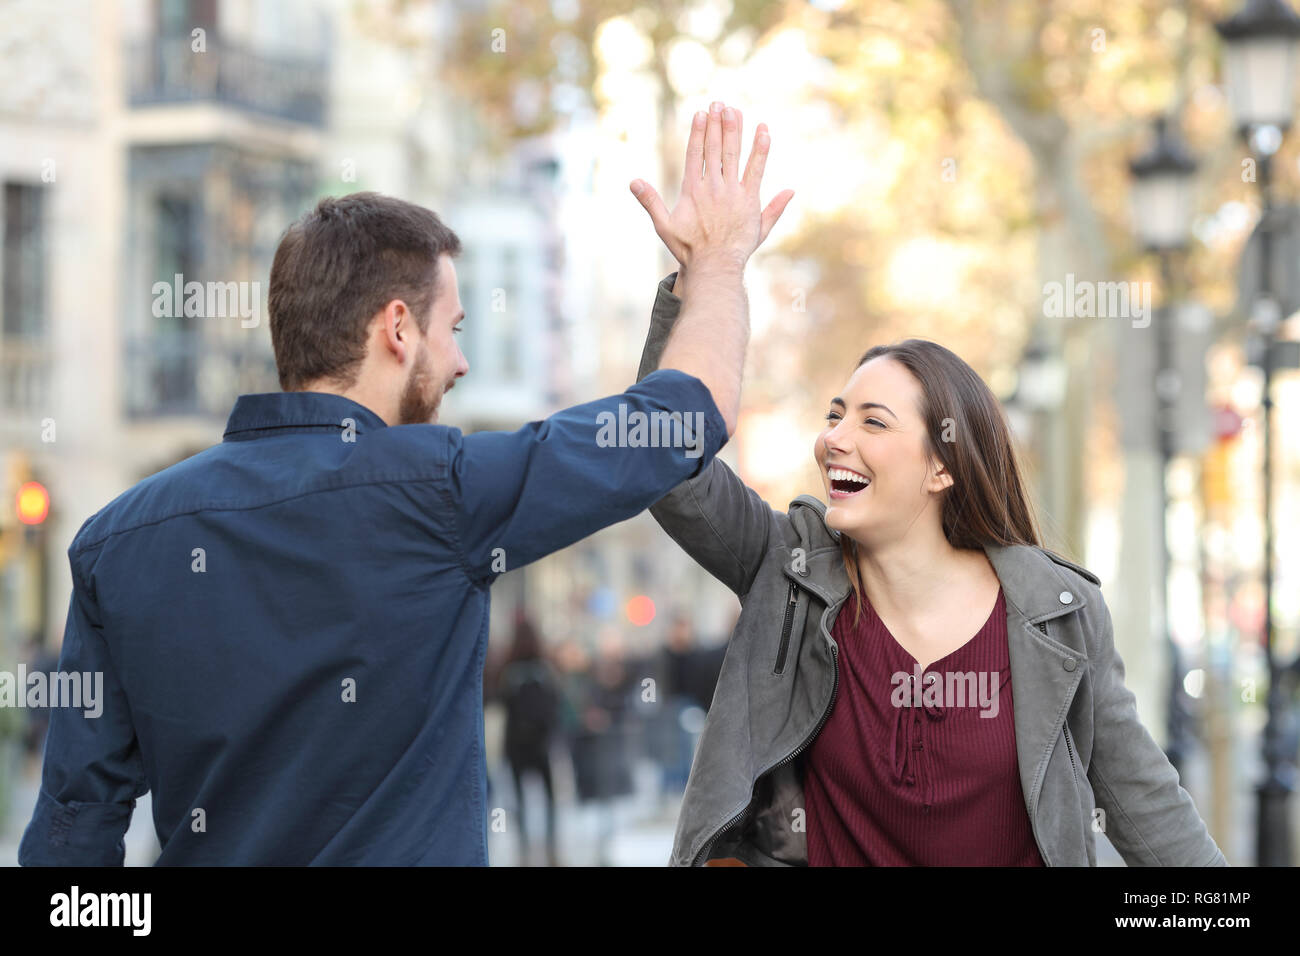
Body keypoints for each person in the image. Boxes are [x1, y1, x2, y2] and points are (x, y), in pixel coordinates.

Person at [18, 100, 793, 865]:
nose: (461, 363)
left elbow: (73, 836)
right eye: (453, 330)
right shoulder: (443, 493)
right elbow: (683, 418)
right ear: (396, 329)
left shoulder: (116, 540)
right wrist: (719, 262)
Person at [634, 271, 1228, 867]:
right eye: (834, 415)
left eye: (873, 421)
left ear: (941, 468)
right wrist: (701, 276)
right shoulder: (788, 568)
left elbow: (1148, 808)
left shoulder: (1057, 613)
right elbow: (663, 461)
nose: (832, 438)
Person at [496, 615, 561, 866]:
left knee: (519, 800)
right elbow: (555, 704)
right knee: (549, 797)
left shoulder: (508, 671)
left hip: (515, 745)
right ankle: (551, 848)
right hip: (541, 744)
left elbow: (501, 703)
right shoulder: (545, 669)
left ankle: (522, 850)